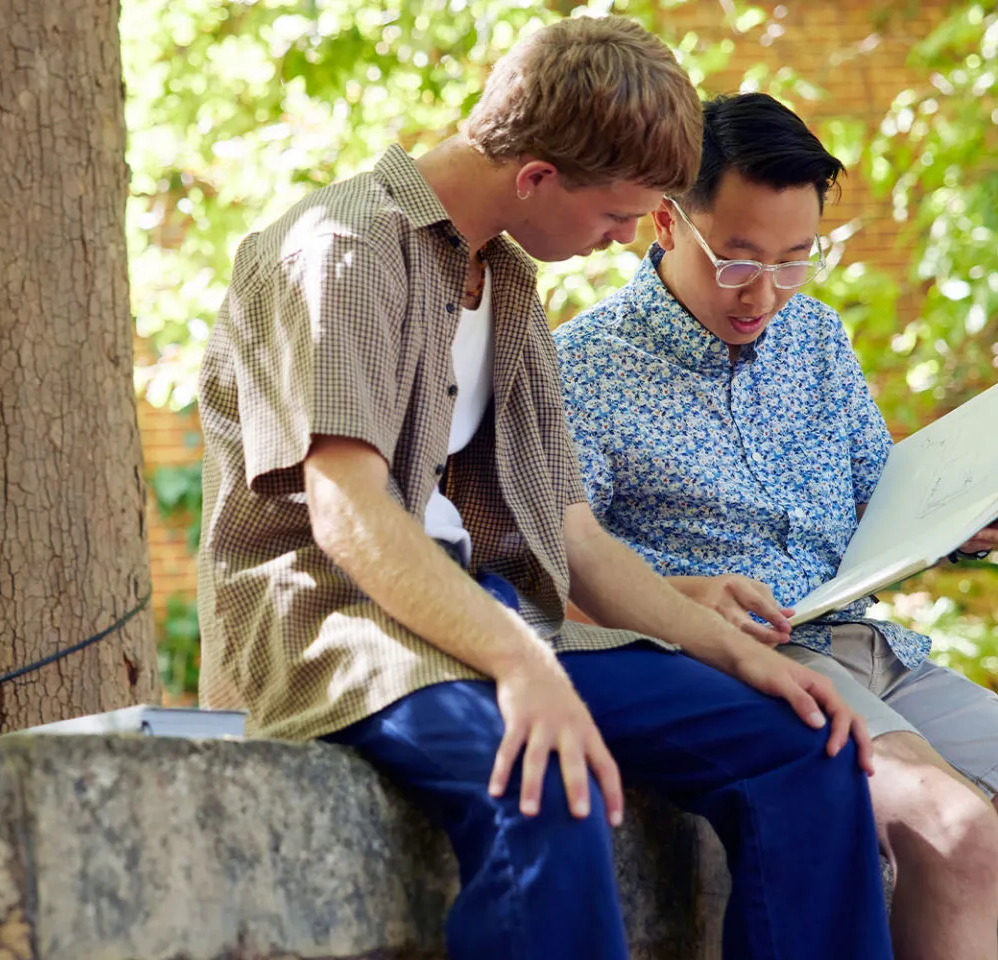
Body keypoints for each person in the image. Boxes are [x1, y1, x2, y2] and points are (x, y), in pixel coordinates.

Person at [194, 18, 896, 960]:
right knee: (546, 779)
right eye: (614, 219)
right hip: (340, 621)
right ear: (535, 178)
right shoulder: (343, 252)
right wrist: (527, 668)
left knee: (805, 750)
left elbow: (575, 537)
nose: (618, 245)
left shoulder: (510, 287)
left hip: (495, 615)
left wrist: (746, 660)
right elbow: (347, 513)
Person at [553, 90, 998, 960]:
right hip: (751, 666)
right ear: (666, 222)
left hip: (876, 652)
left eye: (794, 260)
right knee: (956, 832)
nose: (765, 294)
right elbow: (556, 579)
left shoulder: (815, 337)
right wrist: (688, 599)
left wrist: (971, 515)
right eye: (737, 261)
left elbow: (877, 500)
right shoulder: (581, 367)